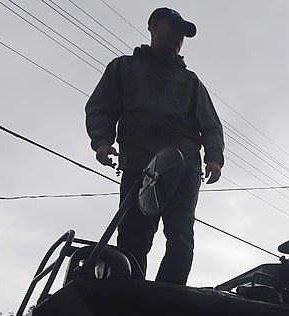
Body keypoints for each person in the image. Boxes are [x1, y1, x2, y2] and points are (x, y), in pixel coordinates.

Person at [85, 7, 224, 285]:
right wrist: (102, 142)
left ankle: (169, 295)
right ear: (153, 26)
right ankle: (131, 293)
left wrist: (214, 158)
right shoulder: (124, 68)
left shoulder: (190, 81)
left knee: (181, 236)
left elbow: (210, 124)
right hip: (140, 165)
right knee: (134, 235)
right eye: (173, 29)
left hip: (185, 167)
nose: (177, 38)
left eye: (182, 35)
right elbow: (101, 107)